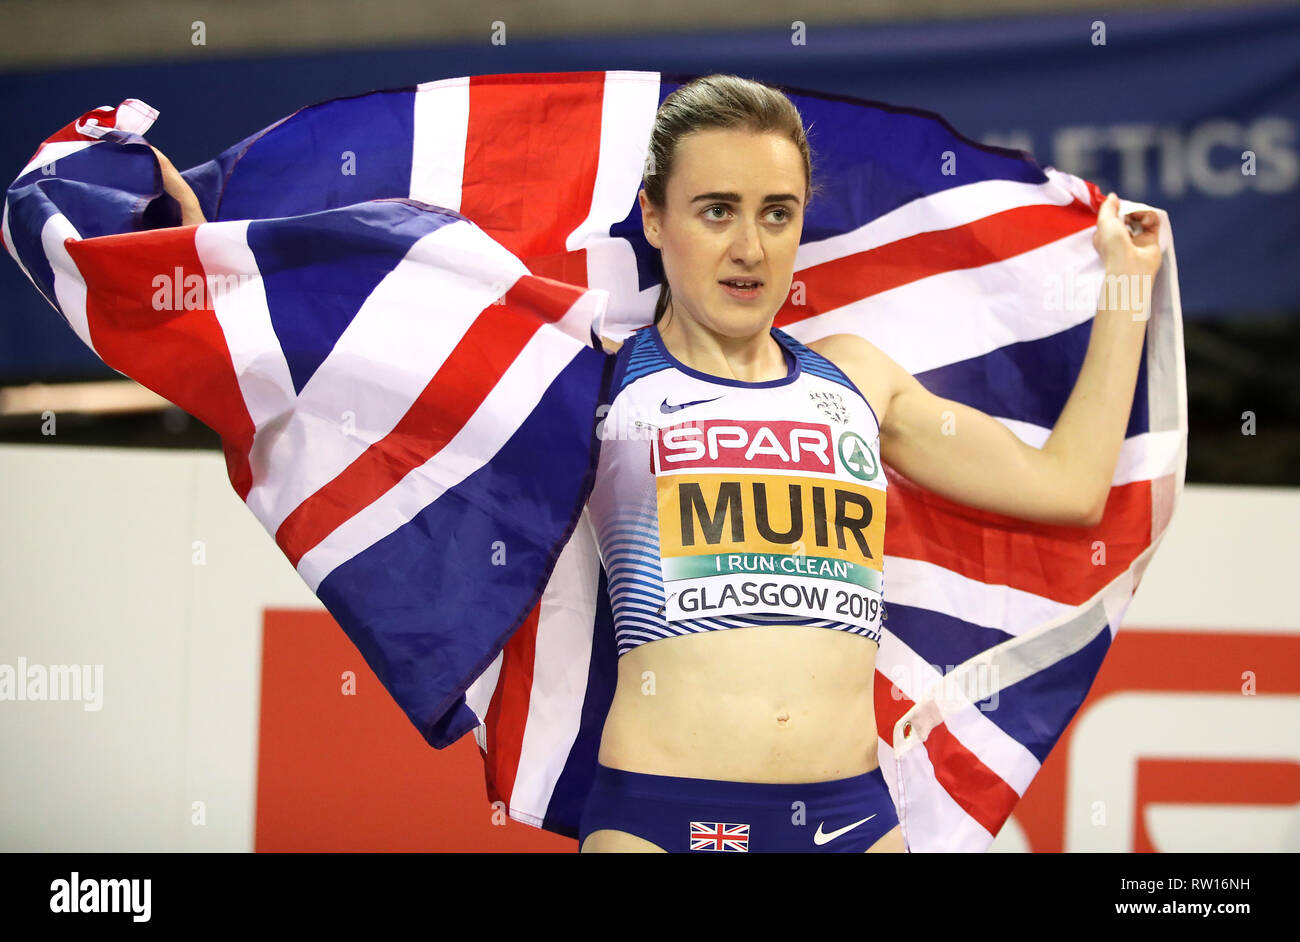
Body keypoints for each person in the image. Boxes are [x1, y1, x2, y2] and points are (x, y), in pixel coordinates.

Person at [150, 74, 1161, 853]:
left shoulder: (863, 384)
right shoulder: (588, 380)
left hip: (852, 822)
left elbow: (1071, 488)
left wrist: (1126, 284)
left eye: (778, 213)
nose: (751, 246)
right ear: (656, 216)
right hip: (659, 819)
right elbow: (357, 361)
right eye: (716, 209)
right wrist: (214, 272)